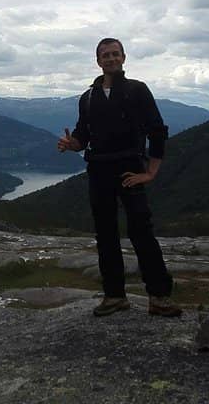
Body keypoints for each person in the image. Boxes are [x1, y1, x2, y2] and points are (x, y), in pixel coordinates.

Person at [57, 37, 182, 317]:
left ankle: (159, 297)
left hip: (130, 169)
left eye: (115, 54)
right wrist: (71, 144)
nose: (110, 59)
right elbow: (83, 136)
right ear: (98, 61)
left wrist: (150, 172)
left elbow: (157, 131)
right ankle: (114, 296)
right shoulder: (88, 97)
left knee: (142, 232)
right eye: (105, 55)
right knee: (106, 234)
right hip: (99, 170)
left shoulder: (137, 90)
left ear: (123, 58)